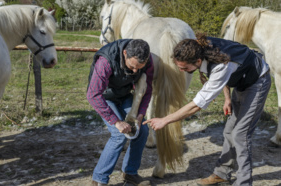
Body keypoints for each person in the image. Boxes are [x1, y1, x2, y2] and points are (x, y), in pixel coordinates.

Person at [143, 33, 271, 186]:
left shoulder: (220, 65)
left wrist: (165, 120)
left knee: (240, 135)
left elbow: (197, 105)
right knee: (229, 131)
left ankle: (244, 182)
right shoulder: (199, 47)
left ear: (198, 61)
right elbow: (224, 74)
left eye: (184, 67)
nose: (182, 71)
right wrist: (227, 98)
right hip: (241, 78)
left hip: (257, 81)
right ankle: (222, 174)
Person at [87, 39, 153, 186]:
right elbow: (93, 95)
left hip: (124, 95)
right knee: (119, 134)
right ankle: (99, 179)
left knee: (142, 129)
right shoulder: (105, 61)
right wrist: (116, 121)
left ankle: (130, 173)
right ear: (124, 53)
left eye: (139, 68)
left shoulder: (148, 60)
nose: (135, 71)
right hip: (104, 97)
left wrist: (141, 113)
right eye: (132, 66)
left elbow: (147, 90)